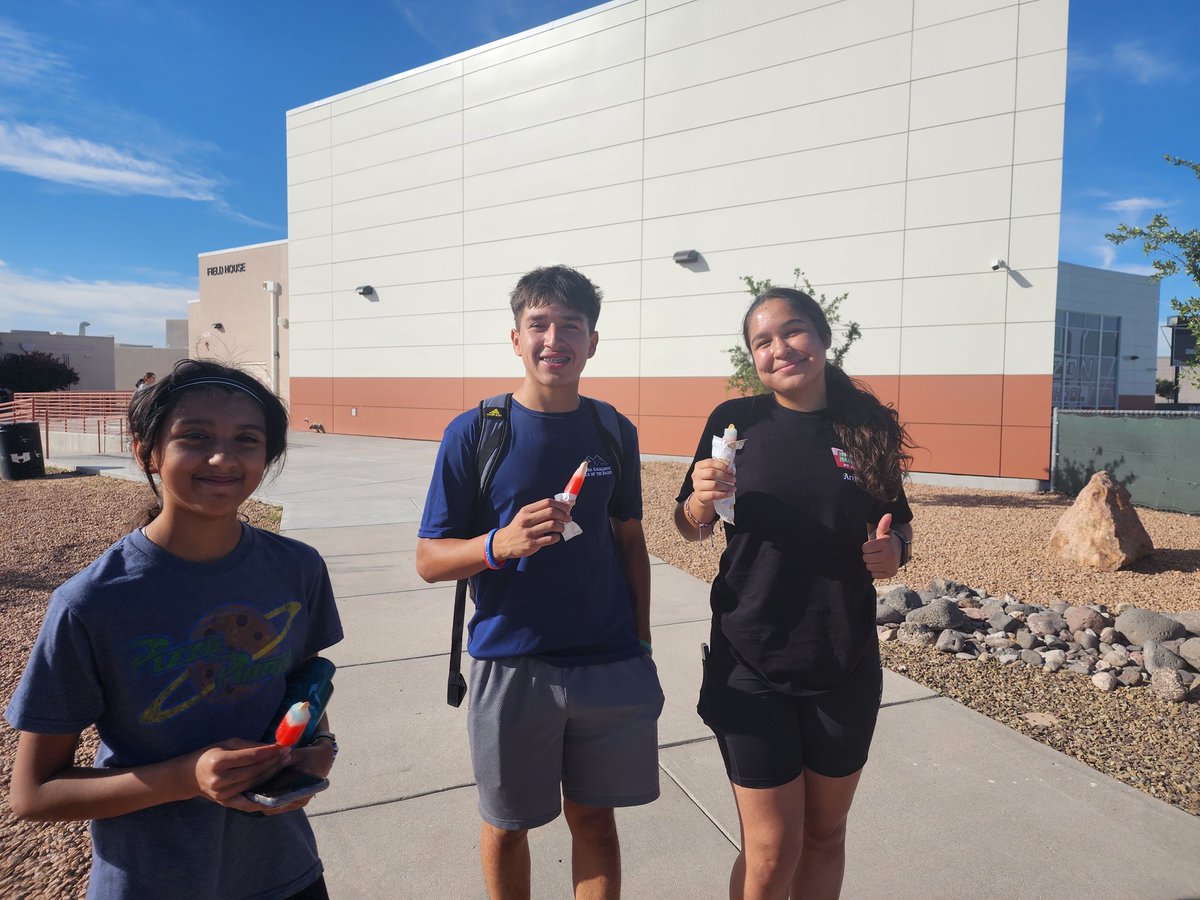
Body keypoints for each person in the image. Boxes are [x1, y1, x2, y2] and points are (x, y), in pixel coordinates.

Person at [6, 359, 343, 900]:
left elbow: (303, 683)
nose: (222, 457)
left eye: (246, 440)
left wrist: (318, 744)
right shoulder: (92, 603)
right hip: (152, 881)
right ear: (147, 451)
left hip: (286, 871)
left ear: (268, 457)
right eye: (195, 436)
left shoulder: (297, 568)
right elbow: (35, 793)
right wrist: (187, 776)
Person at [416, 265, 663, 900]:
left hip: (607, 657)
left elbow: (630, 541)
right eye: (539, 325)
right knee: (507, 827)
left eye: (570, 327)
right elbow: (429, 558)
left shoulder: (613, 429)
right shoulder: (476, 431)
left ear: (593, 342)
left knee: (595, 822)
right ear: (516, 337)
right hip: (511, 660)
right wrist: (501, 543)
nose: (554, 339)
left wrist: (640, 642)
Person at [674, 287, 914, 900]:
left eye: (793, 331)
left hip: (844, 656)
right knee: (772, 847)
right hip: (749, 654)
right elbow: (690, 525)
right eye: (762, 341)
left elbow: (896, 523)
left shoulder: (869, 428)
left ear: (823, 337)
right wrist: (699, 500)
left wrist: (895, 553)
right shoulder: (736, 423)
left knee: (826, 832)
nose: (780, 349)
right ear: (752, 356)